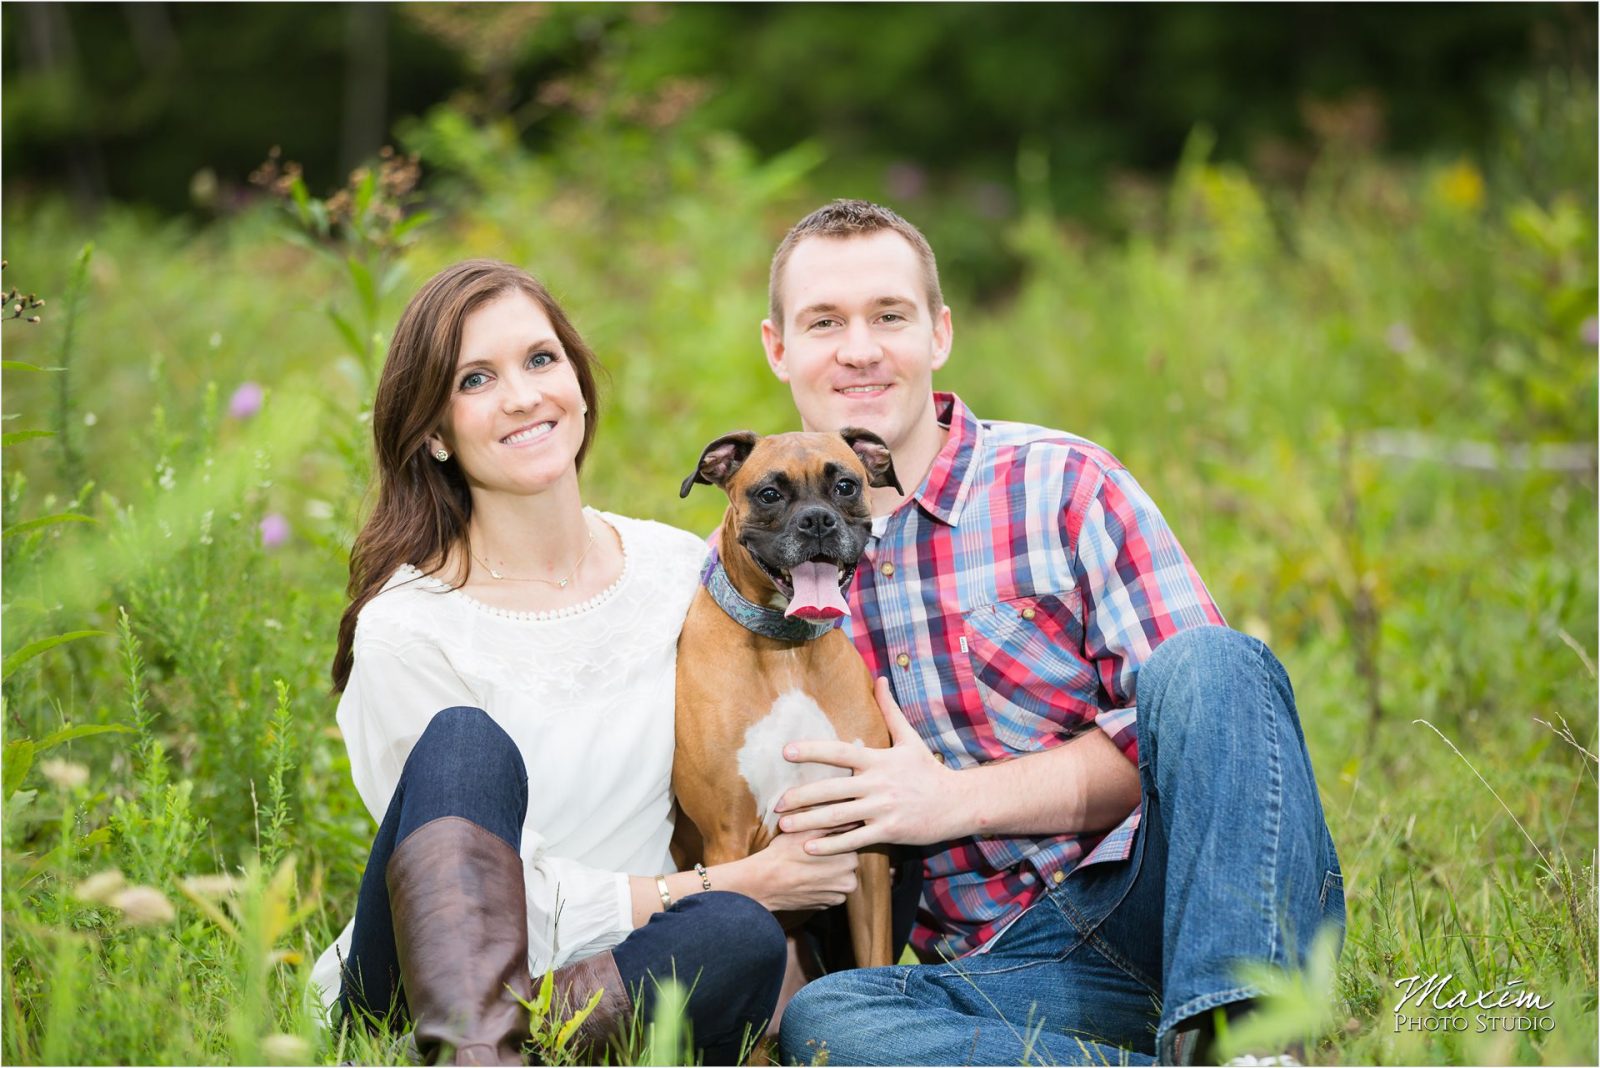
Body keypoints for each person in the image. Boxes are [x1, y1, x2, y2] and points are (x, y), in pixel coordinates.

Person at [760, 201, 1346, 1066]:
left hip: (1176, 896)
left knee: (1214, 661)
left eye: (890, 316)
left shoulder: (1063, 482)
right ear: (778, 347)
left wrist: (949, 803)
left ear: (940, 333)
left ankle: (1242, 1025)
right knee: (833, 1023)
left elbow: (1197, 734)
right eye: (824, 323)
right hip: (1009, 976)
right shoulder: (751, 563)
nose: (859, 348)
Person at [307, 259, 860, 1066]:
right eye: (475, 379)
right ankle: (474, 1055)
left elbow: (812, 695)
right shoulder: (410, 627)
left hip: (615, 975)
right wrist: (723, 885)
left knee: (738, 937)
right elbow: (450, 900)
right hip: (427, 984)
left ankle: (541, 1050)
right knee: (466, 743)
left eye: (540, 360)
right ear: (431, 431)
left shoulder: (678, 570)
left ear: (577, 379)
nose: (524, 395)